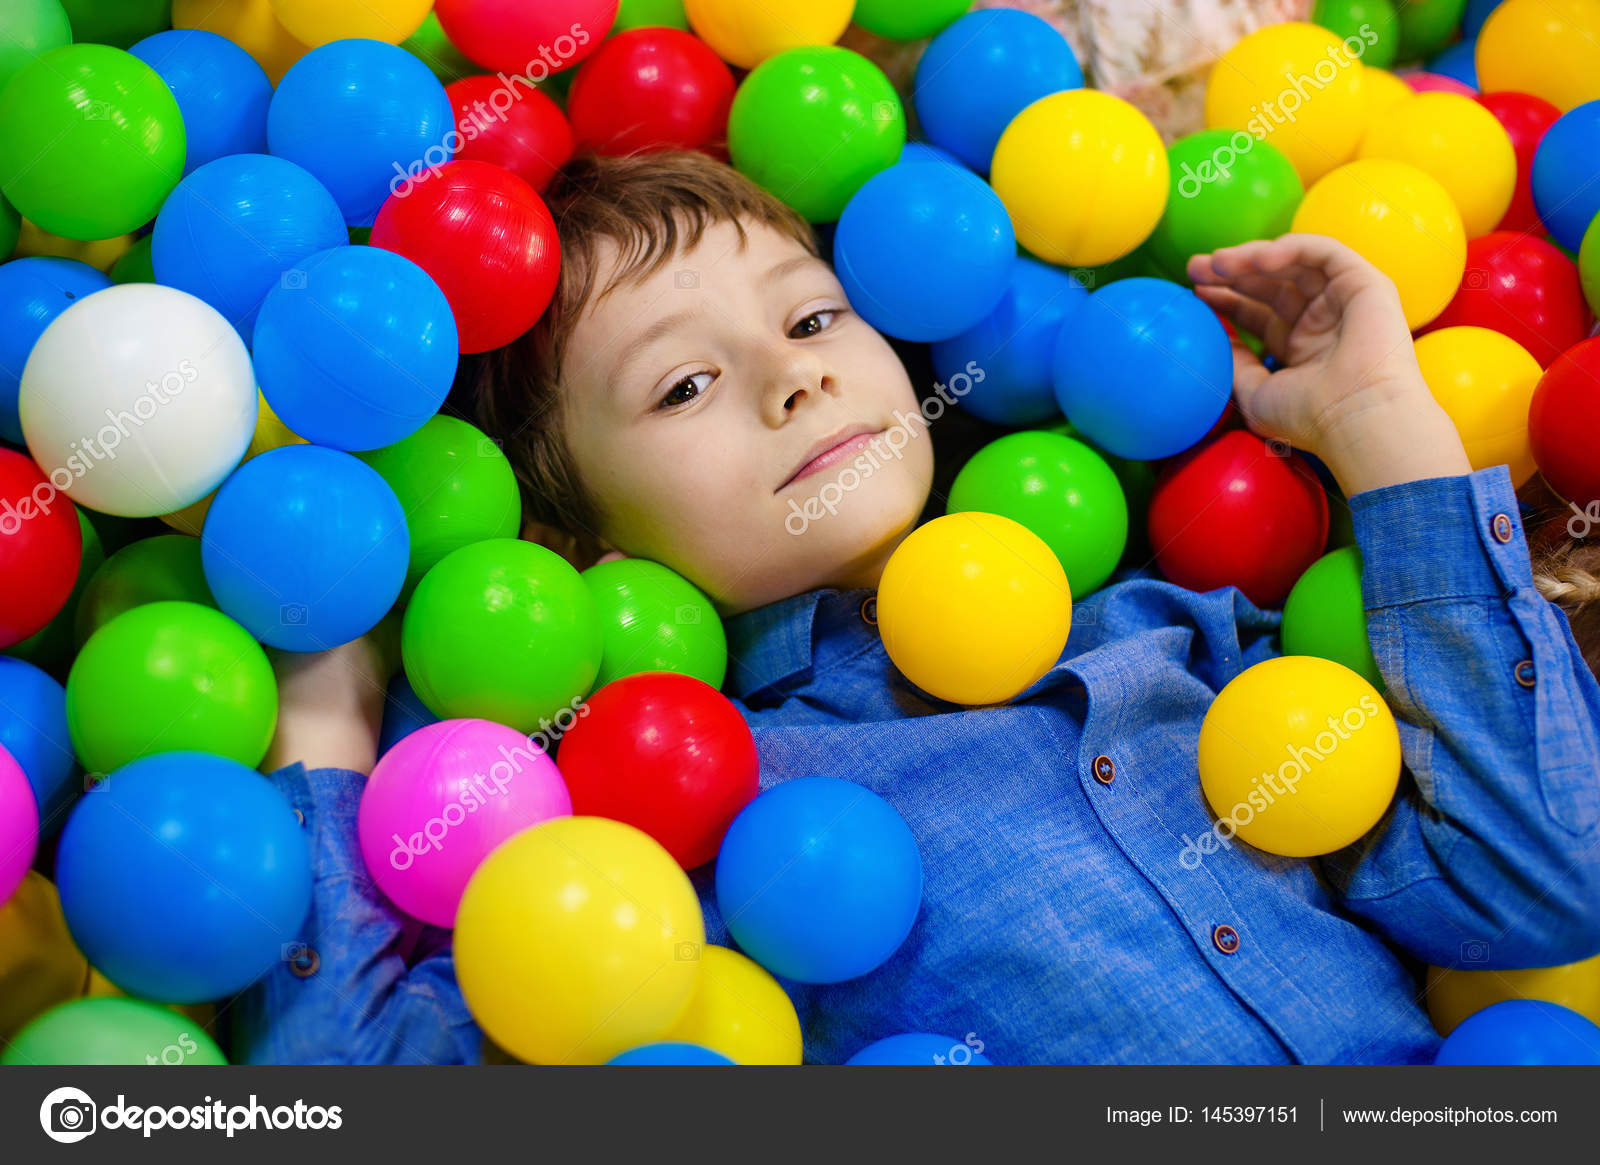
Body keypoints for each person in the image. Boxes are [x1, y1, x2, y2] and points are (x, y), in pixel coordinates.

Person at [228, 151, 1600, 1065]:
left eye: (813, 319)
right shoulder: (669, 828)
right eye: (682, 387)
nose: (794, 377)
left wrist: (1381, 430)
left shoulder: (1171, 639)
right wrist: (326, 703)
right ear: (568, 537)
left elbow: (1541, 881)